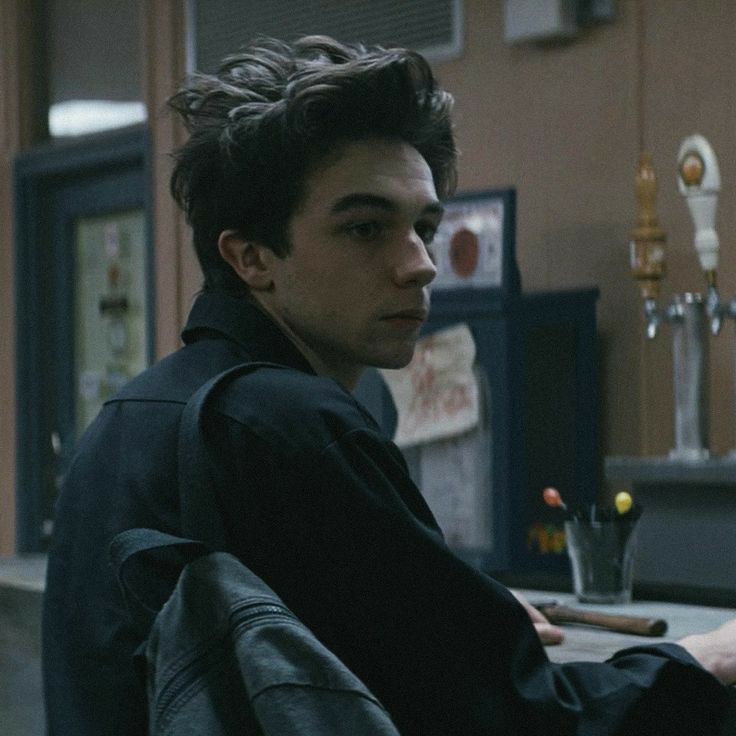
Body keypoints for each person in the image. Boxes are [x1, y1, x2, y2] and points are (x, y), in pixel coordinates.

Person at [42, 35, 735, 735]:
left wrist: (459, 618)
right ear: (250, 256)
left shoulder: (125, 418)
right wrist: (698, 659)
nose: (422, 264)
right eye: (367, 228)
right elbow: (516, 719)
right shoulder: (290, 419)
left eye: (425, 227)